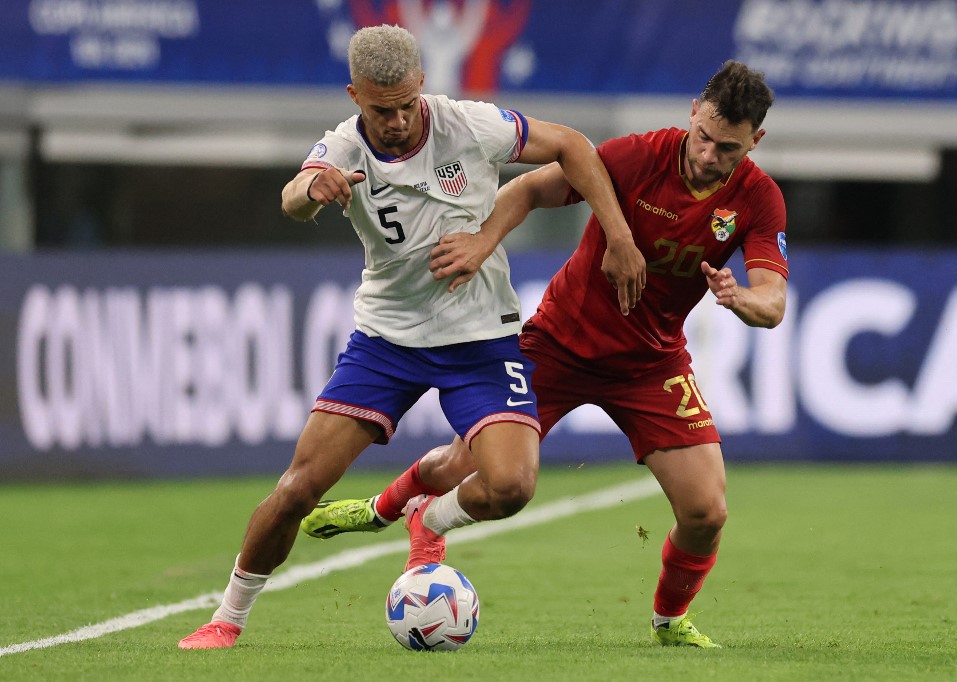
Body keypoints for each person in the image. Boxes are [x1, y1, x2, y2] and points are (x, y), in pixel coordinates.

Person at [178, 24, 646, 650]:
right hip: (387, 341)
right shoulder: (343, 147)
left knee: (511, 486)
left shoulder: (470, 124)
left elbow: (574, 146)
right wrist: (310, 191)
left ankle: (425, 514)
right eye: (380, 109)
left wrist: (617, 236)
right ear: (353, 96)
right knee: (298, 489)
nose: (396, 120)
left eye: (405, 105)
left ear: (422, 84)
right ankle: (226, 618)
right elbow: (295, 195)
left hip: (481, 339)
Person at [300, 60, 789, 649]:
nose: (708, 155)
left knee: (707, 511)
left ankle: (668, 622)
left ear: (754, 142)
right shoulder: (637, 157)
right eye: (704, 136)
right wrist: (483, 242)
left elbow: (774, 301)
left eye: (727, 148)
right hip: (557, 344)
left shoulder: (759, 199)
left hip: (651, 364)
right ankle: (387, 507)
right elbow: (531, 188)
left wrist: (740, 299)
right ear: (693, 113)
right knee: (464, 468)